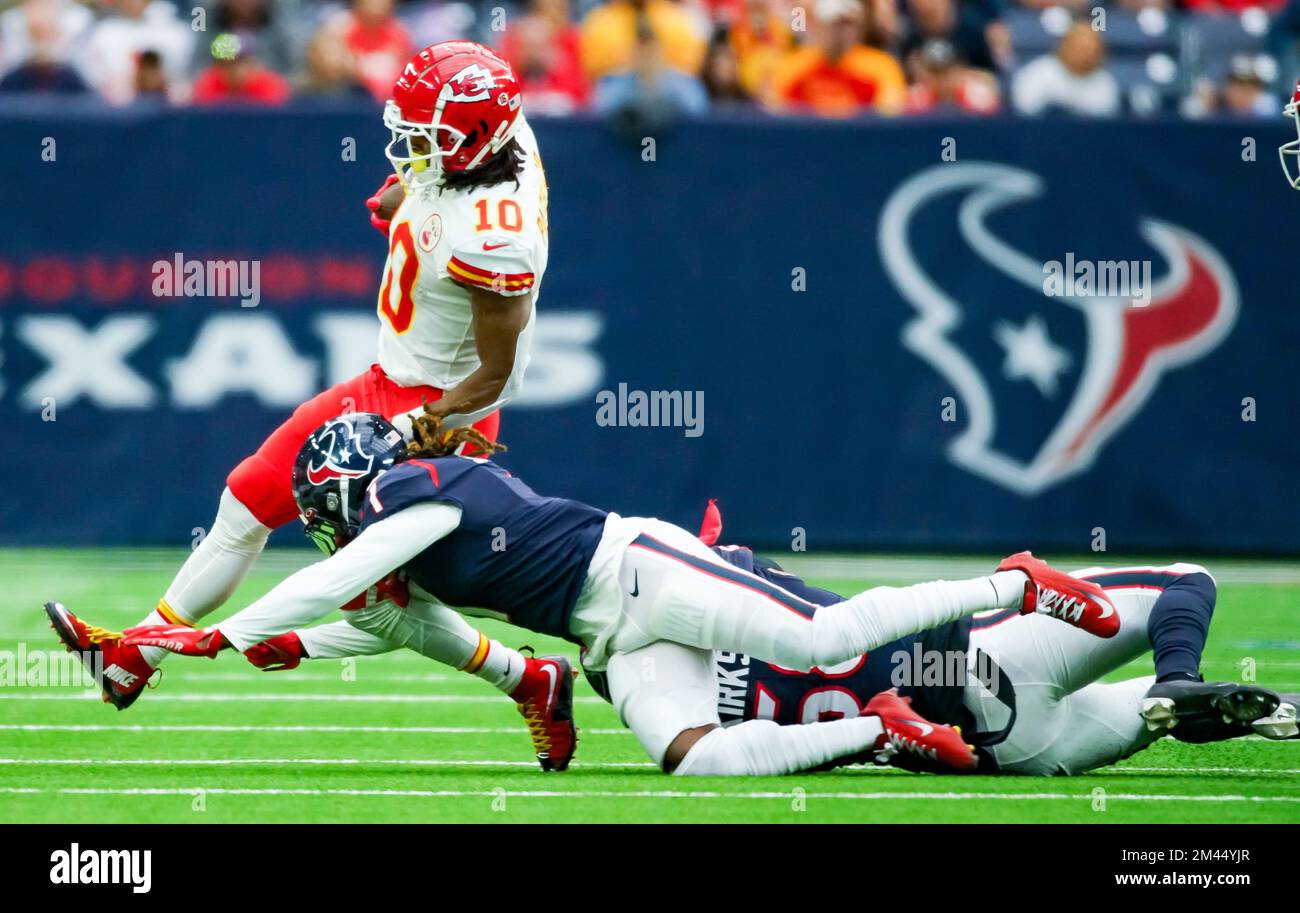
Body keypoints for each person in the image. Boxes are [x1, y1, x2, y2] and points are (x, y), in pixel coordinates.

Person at [111, 410, 1119, 777]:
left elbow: (339, 572)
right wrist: (295, 647)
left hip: (636, 569)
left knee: (820, 637)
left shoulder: (415, 488)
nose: (321, 519)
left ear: (346, 482)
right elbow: (390, 622)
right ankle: (878, 731)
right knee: (694, 758)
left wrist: (218, 631)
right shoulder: (390, 528)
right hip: (609, 637)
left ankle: (1013, 577)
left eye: (321, 503)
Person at [46, 43, 549, 726]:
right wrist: (417, 188)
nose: (408, 146)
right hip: (384, 380)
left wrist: (415, 429)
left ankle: (528, 678)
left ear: (474, 142)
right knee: (249, 497)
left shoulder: (494, 235)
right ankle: (133, 657)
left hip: (435, 413)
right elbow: (441, 174)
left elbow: (500, 375)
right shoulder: (499, 138)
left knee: (373, 601)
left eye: (426, 137)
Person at [1010, 20, 1119, 118]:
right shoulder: (1037, 73)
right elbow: (1024, 114)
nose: (1086, 54)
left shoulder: (1106, 84)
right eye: (1080, 48)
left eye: (1091, 49)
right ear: (1063, 45)